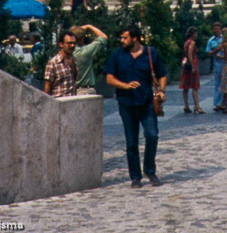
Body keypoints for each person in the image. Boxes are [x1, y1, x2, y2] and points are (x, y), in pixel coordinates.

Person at [104, 25, 167, 188]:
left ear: (135, 38)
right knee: (131, 142)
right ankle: (135, 176)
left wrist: (161, 91)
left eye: (125, 38)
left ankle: (150, 170)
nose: (122, 40)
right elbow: (109, 78)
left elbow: (162, 74)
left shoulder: (150, 53)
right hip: (126, 104)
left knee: (152, 135)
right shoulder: (117, 54)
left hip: (146, 103)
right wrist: (125, 86)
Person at [71, 23, 108, 95]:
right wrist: (89, 26)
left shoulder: (68, 53)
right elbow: (104, 37)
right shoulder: (85, 52)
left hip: (71, 90)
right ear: (82, 38)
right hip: (85, 90)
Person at [43, 30, 78, 98]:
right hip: (58, 102)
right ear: (61, 44)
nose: (72, 45)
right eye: (69, 43)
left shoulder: (74, 60)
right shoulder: (53, 63)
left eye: (74, 43)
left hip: (72, 102)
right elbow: (47, 87)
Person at [180, 26, 203, 113]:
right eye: (196, 33)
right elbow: (190, 53)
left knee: (186, 86)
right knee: (194, 86)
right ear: (192, 34)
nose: (197, 35)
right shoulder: (192, 42)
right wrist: (193, 66)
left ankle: (186, 105)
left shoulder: (186, 42)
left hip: (186, 65)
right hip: (192, 63)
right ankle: (197, 106)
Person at [205, 22, 224, 112]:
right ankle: (217, 103)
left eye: (218, 29)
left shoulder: (224, 39)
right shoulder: (211, 40)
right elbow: (208, 53)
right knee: (217, 84)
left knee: (226, 83)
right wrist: (216, 49)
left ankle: (225, 102)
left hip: (226, 63)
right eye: (215, 29)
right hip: (217, 64)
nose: (216, 31)